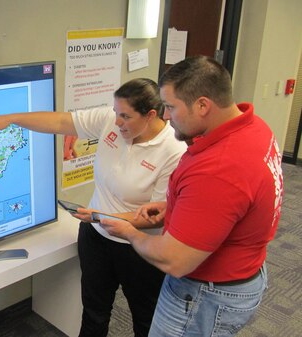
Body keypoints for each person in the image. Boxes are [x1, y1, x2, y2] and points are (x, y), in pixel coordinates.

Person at [0, 78, 187, 337]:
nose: (116, 122)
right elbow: (61, 122)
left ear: (151, 115)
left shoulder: (173, 151)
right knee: (94, 313)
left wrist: (100, 216)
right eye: (115, 113)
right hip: (96, 237)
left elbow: (155, 218)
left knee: (145, 319)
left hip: (139, 248)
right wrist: (10, 119)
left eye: (125, 116)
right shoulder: (112, 120)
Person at [100, 56, 284, 337]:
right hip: (245, 275)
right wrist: (175, 206)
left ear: (202, 105)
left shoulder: (219, 169)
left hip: (205, 295)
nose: (165, 116)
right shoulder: (255, 128)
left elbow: (175, 260)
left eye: (171, 107)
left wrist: (130, 233)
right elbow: (236, 201)